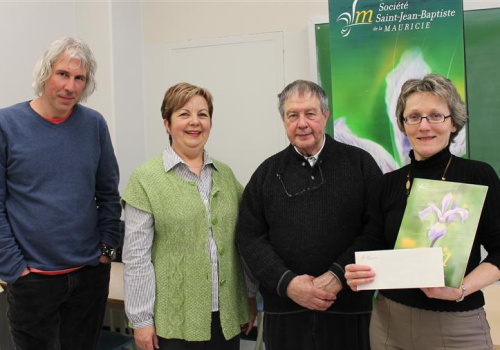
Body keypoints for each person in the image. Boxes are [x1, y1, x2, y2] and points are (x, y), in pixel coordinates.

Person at [340, 73, 500, 350]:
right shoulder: (387, 184)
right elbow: (372, 240)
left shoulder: (478, 175)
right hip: (389, 322)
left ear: (454, 123)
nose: (424, 126)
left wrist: (460, 290)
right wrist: (355, 269)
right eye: (414, 116)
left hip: (457, 324)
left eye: (436, 115)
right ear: (403, 125)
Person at [235, 80, 382, 350]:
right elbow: (249, 237)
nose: (302, 123)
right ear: (283, 120)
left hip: (349, 312)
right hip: (285, 316)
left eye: (310, 114)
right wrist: (287, 283)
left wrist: (339, 275)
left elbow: (377, 228)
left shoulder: (360, 164)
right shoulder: (267, 174)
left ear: (325, 116)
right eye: (293, 115)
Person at [0, 37, 121, 349]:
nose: (71, 86)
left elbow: (109, 194)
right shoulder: (7, 125)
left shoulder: (94, 125)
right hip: (34, 281)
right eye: (63, 74)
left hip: (90, 276)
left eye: (79, 78)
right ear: (45, 74)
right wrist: (16, 270)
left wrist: (106, 255)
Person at [121, 82, 256, 350]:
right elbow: (136, 258)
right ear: (167, 124)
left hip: (226, 318)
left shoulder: (226, 176)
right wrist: (141, 321)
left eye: (202, 114)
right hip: (172, 322)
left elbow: (243, 244)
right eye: (184, 114)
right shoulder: (146, 179)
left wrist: (249, 297)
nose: (195, 122)